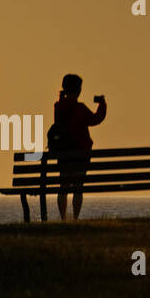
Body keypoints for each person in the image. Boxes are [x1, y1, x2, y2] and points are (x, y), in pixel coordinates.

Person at [52, 74, 106, 221]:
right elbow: (95, 119)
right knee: (78, 188)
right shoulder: (80, 108)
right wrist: (102, 104)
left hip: (64, 154)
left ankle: (63, 218)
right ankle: (75, 218)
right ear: (78, 90)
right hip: (81, 155)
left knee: (62, 188)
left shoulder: (58, 107)